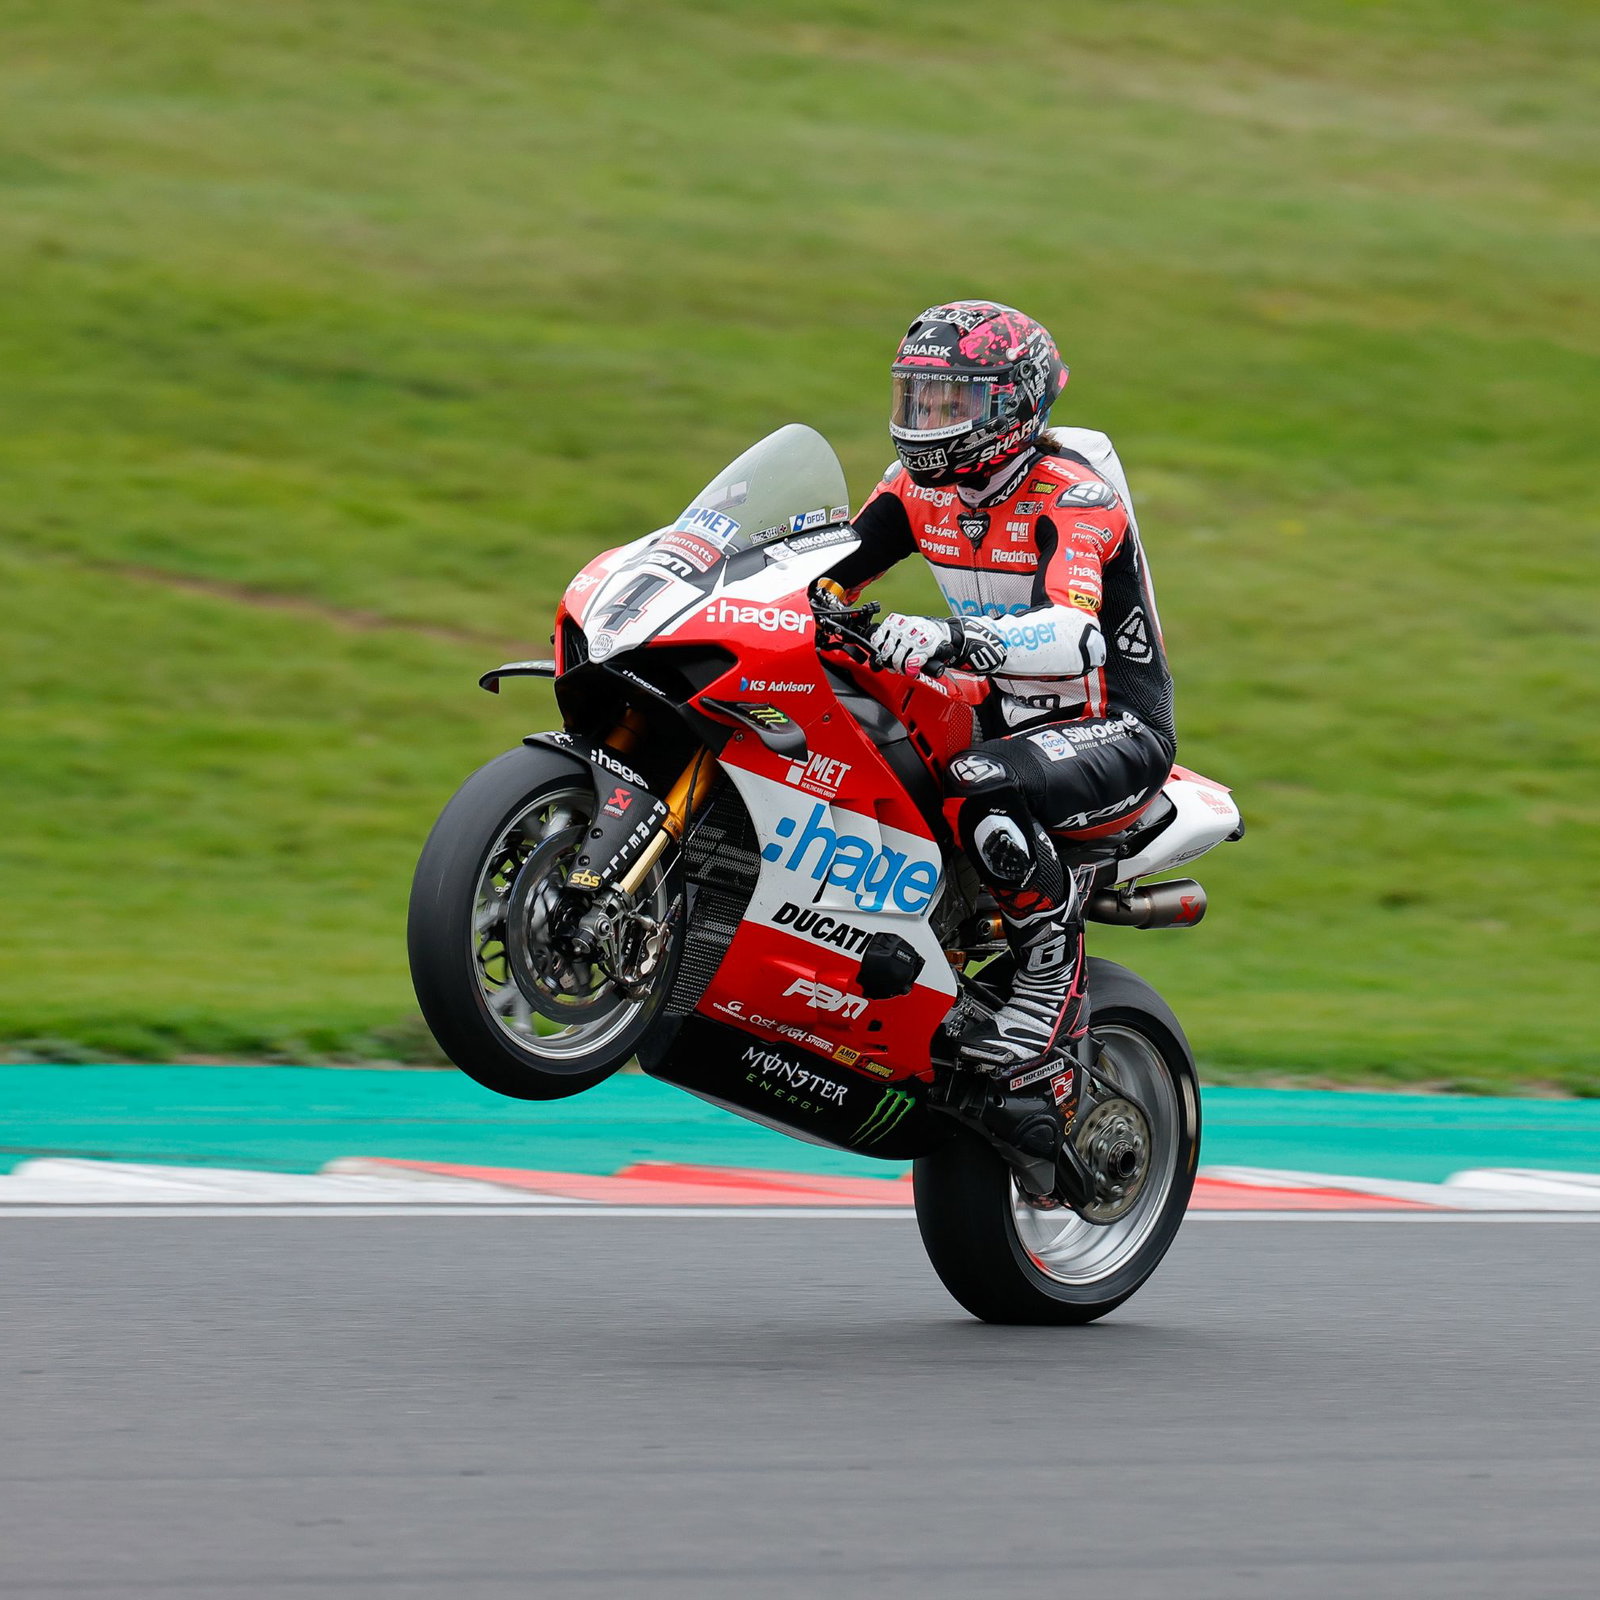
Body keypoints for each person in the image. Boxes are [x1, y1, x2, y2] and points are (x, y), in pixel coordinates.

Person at [826, 300, 1176, 1080]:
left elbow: (1074, 633)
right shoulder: (919, 491)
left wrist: (947, 638)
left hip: (1111, 720)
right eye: (918, 399)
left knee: (976, 786)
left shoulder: (1075, 498)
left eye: (953, 402)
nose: (928, 419)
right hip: (993, 708)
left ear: (1013, 405)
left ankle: (1048, 983)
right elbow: (822, 575)